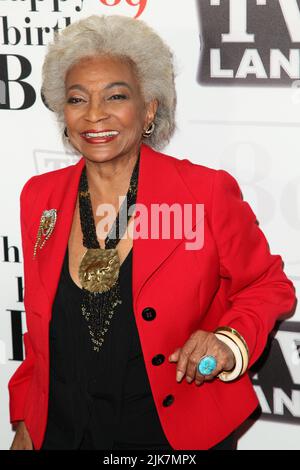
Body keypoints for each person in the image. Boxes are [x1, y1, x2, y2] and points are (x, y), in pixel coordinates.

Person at [9, 14, 296, 451]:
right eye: (77, 98)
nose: (94, 115)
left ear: (149, 109)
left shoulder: (204, 193)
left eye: (116, 96)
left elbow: (267, 284)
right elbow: (39, 332)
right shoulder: (39, 196)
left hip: (169, 436)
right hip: (63, 431)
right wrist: (27, 421)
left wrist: (227, 340)